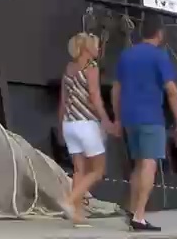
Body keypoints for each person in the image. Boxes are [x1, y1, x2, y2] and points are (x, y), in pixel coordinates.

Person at [112, 15, 177, 232]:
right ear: (160, 34)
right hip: (151, 117)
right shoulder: (159, 56)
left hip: (129, 118)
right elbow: (172, 92)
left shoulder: (126, 55)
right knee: (149, 164)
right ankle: (140, 216)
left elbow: (116, 89)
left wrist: (117, 118)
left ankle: (132, 210)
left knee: (139, 165)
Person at [58, 32, 115, 227]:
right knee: (98, 171)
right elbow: (95, 96)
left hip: (69, 124)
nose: (98, 49)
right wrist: (106, 120)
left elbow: (63, 100)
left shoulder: (69, 67)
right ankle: (69, 200)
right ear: (87, 48)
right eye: (96, 45)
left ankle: (77, 216)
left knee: (79, 170)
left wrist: (61, 125)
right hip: (86, 124)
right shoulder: (91, 67)